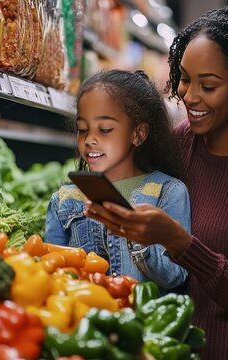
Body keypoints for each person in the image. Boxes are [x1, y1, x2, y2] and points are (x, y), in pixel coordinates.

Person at [84, 3, 228, 359]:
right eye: (184, 78)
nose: (189, 96)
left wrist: (179, 241)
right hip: (171, 348)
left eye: (208, 86)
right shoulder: (180, 143)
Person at [44, 69, 190, 291]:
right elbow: (52, 273)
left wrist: (134, 233)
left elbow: (175, 276)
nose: (90, 140)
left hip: (141, 323)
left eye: (105, 130)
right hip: (85, 319)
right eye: (82, 129)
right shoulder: (64, 200)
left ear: (138, 134)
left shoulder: (168, 192)